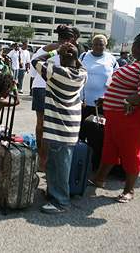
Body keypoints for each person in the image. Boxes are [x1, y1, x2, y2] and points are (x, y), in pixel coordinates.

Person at [90, 24, 140, 203]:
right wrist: (107, 99)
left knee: (130, 153)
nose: (133, 48)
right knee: (110, 148)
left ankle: (129, 190)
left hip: (133, 120)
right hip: (118, 118)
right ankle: (99, 178)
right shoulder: (138, 63)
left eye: (135, 45)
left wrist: (127, 101)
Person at [32, 33, 87, 214]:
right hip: (70, 128)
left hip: (58, 128)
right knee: (57, 164)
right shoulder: (81, 75)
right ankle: (54, 193)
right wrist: (72, 54)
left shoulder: (57, 73)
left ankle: (61, 202)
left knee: (59, 167)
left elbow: (35, 60)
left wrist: (55, 49)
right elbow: (80, 65)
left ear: (61, 58)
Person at [30, 25, 77, 172]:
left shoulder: (44, 49)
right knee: (52, 126)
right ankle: (47, 160)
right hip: (56, 89)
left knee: (41, 125)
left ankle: (41, 160)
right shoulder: (70, 51)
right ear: (71, 39)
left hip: (39, 86)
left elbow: (33, 71)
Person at [78, 34, 117, 160]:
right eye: (96, 44)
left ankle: (94, 160)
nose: (98, 47)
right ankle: (80, 159)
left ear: (105, 46)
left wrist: (108, 94)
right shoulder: (84, 56)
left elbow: (116, 77)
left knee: (97, 133)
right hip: (83, 102)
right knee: (80, 132)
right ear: (92, 45)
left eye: (101, 44)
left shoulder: (111, 59)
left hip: (101, 104)